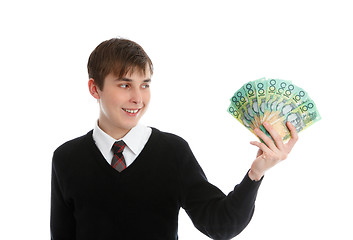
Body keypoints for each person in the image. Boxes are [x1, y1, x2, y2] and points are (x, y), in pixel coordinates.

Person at [50, 38, 298, 240]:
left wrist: (255, 174)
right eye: (125, 85)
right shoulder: (66, 158)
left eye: (145, 85)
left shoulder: (172, 152)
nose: (138, 98)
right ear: (95, 89)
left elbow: (220, 224)